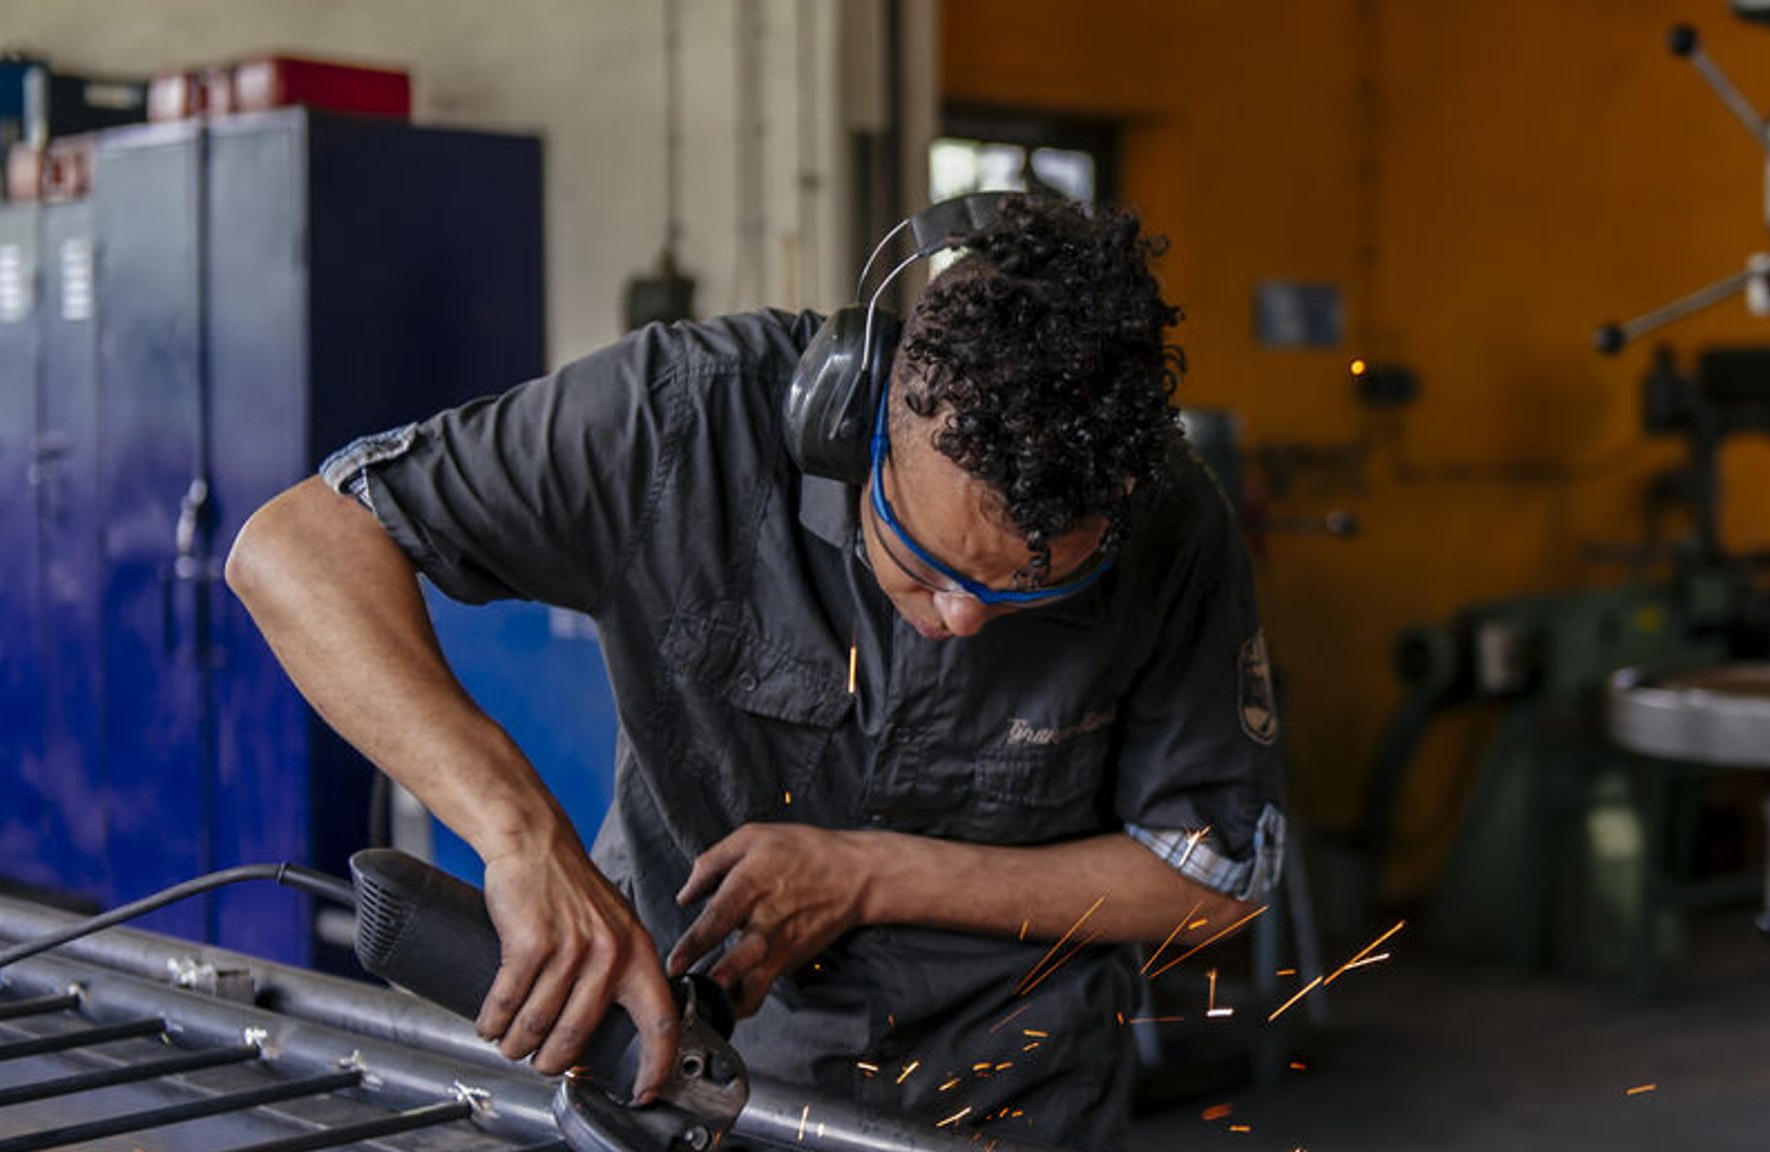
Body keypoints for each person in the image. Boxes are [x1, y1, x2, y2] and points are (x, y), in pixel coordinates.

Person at [225, 192, 1285, 1151]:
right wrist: (520, 837)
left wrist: (869, 871)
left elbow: (1211, 878)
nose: (961, 619)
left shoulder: (1173, 530)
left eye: (1020, 593)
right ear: (851, 418)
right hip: (666, 1080)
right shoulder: (682, 422)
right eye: (926, 566)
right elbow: (293, 549)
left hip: (1005, 1104)